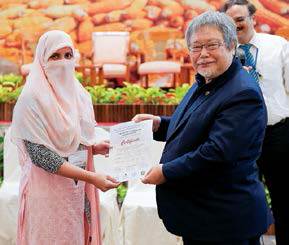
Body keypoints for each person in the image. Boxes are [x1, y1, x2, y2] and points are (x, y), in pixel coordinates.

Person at [132, 11, 271, 245]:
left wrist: (165, 171)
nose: (203, 54)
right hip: (203, 217)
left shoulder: (242, 93)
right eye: (196, 47)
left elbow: (217, 153)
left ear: (231, 45)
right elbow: (195, 127)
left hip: (224, 220)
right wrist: (158, 124)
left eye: (211, 45)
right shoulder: (207, 81)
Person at [10, 30, 120, 245]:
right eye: (54, 56)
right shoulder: (31, 99)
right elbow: (42, 156)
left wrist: (92, 148)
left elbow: (70, 141)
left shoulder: (78, 95)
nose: (62, 62)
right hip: (46, 194)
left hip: (75, 191)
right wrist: (92, 178)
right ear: (42, 61)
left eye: (68, 56)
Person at [222, 1, 289, 244]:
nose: (236, 25)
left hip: (277, 135)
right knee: (243, 200)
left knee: (283, 198)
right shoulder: (223, 51)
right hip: (239, 138)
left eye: (240, 19)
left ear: (253, 19)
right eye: (230, 21)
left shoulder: (278, 45)